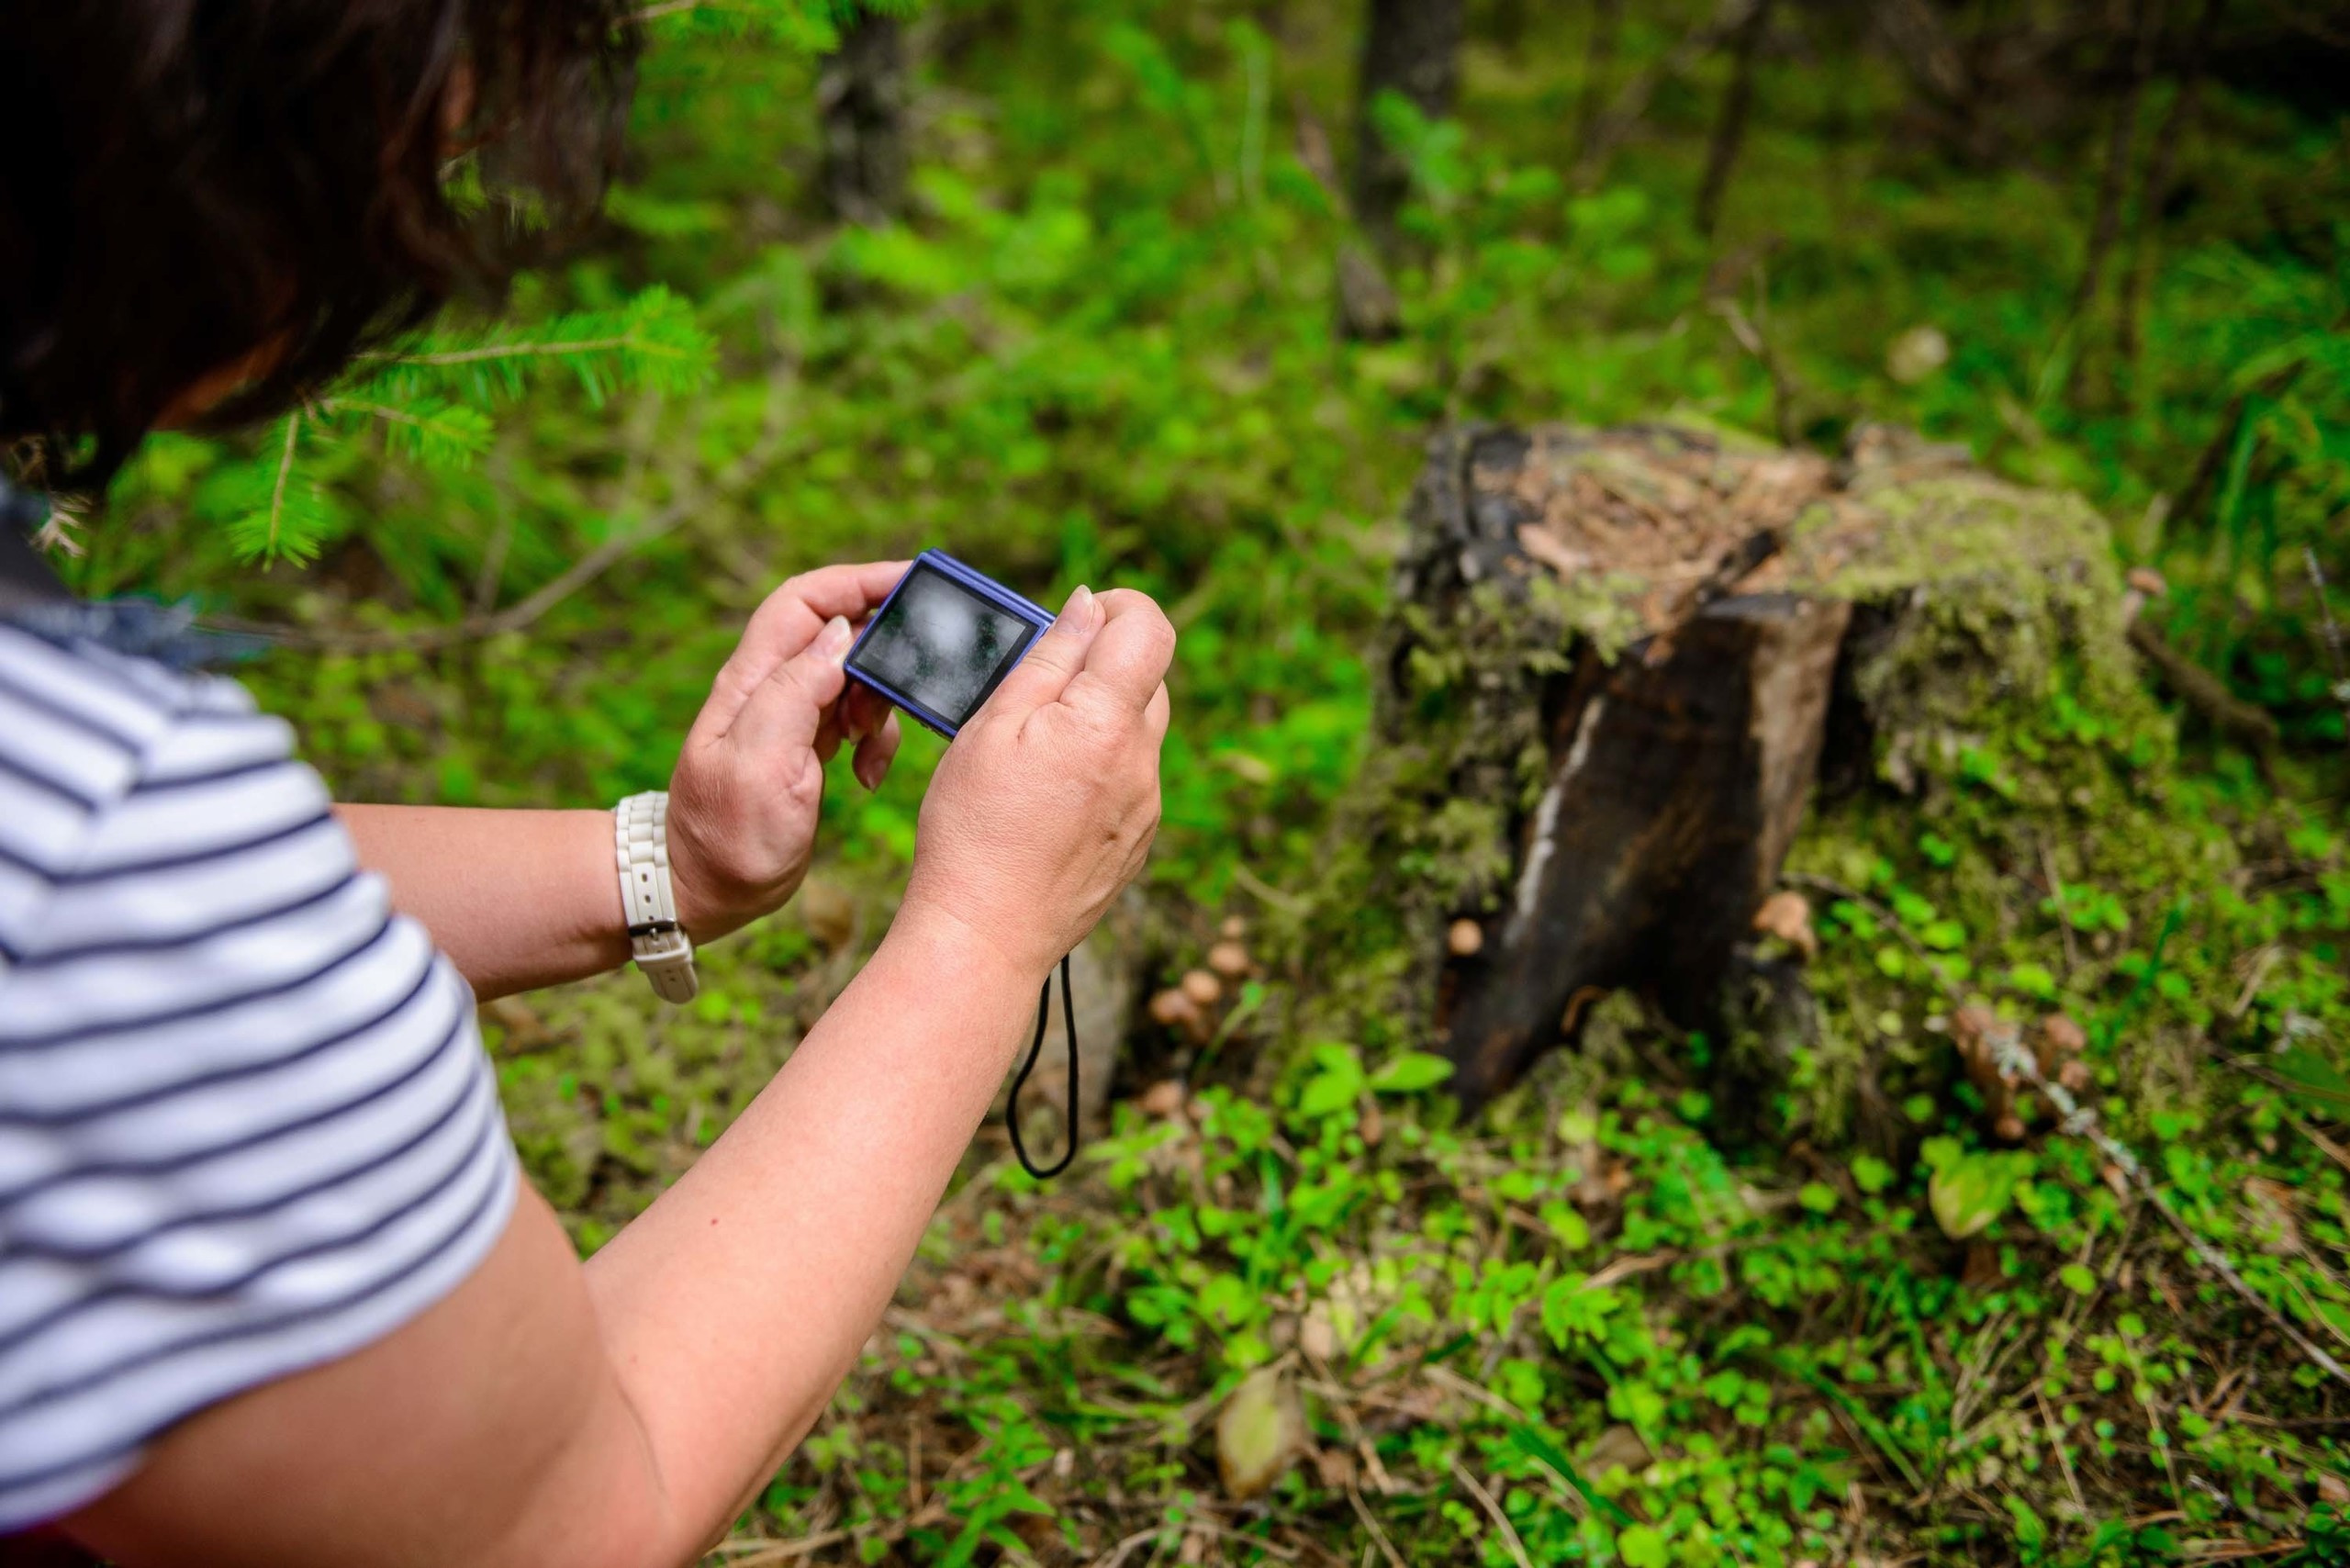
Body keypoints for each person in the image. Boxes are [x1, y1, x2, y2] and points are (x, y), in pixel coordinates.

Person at [0, 3, 1174, 1562]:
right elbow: (563, 1526)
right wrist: (978, 941)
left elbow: (105, 916)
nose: (459, 148)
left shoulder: (88, 818)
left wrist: (664, 868)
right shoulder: (113, 834)